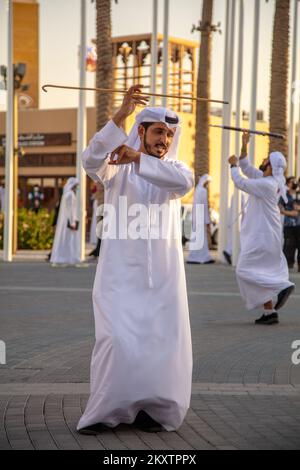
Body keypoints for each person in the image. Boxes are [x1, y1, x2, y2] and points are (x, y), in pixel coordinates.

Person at [77, 85, 194, 435]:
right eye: (159, 131)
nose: (165, 139)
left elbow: (183, 182)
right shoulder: (115, 167)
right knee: (116, 341)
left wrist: (138, 159)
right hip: (120, 277)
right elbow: (90, 159)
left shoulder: (175, 169)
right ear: (140, 131)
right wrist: (120, 115)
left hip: (163, 279)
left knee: (161, 344)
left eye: (170, 134)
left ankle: (156, 411)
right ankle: (105, 412)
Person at [228, 131, 295, 325]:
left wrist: (233, 165)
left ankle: (282, 286)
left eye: (265, 160)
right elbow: (247, 168)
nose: (262, 161)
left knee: (243, 270)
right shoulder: (270, 180)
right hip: (266, 235)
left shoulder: (266, 184)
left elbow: (241, 181)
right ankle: (269, 313)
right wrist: (244, 144)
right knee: (261, 272)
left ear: (270, 166)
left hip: (262, 236)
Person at [50, 177, 80, 266]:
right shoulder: (70, 195)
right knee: (69, 240)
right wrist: (73, 222)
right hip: (69, 221)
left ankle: (62, 258)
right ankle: (68, 258)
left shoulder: (66, 194)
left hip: (64, 221)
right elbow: (71, 210)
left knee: (64, 239)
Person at [186, 174, 214, 264]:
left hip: (197, 218)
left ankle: (195, 257)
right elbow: (204, 206)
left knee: (197, 238)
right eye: (207, 182)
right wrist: (208, 220)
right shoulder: (203, 191)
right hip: (201, 218)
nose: (208, 184)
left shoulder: (197, 190)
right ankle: (202, 257)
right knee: (201, 238)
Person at [279, 177, 300, 270]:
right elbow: (280, 208)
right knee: (288, 245)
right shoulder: (284, 195)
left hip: (299, 224)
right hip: (289, 225)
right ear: (288, 184)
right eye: (292, 182)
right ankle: (287, 264)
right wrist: (291, 213)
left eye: (295, 182)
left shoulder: (299, 195)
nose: (294, 183)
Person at [223, 192, 247, 265]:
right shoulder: (242, 194)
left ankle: (228, 251)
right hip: (239, 221)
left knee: (233, 238)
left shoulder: (235, 195)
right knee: (238, 239)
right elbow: (244, 210)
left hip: (233, 219)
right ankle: (228, 252)